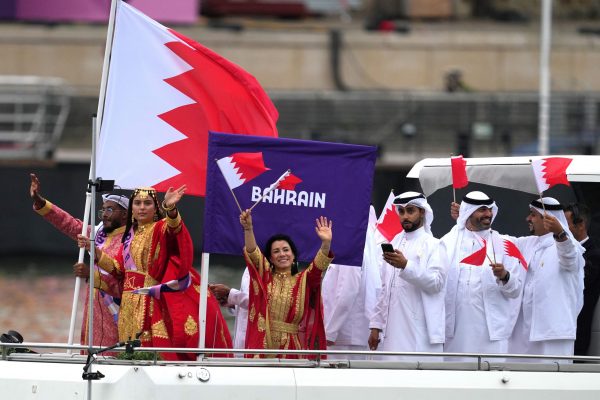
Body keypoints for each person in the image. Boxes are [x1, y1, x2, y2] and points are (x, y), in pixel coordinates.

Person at [78, 186, 232, 360]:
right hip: (127, 301)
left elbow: (174, 228)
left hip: (148, 300)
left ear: (155, 208)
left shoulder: (158, 228)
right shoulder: (129, 235)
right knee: (128, 351)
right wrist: (94, 251)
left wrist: (171, 208)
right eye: (137, 203)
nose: (142, 207)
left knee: (147, 352)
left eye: (147, 203)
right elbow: (119, 270)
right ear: (132, 209)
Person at [30, 173, 125, 351]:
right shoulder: (98, 233)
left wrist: (91, 274)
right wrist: (40, 201)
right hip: (94, 310)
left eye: (110, 210)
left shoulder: (131, 240)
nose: (104, 214)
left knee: (111, 358)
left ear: (125, 214)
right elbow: (69, 224)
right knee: (89, 353)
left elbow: (126, 280)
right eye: (103, 210)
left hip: (118, 312)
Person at [239, 209, 333, 358]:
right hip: (262, 345)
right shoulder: (265, 275)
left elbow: (318, 267)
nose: (282, 254)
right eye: (276, 251)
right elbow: (253, 253)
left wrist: (326, 243)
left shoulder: (303, 279)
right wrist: (248, 229)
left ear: (293, 255)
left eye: (285, 250)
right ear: (270, 257)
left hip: (291, 349)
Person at [444, 191, 523, 361]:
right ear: (468, 212)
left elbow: (515, 290)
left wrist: (504, 276)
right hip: (456, 333)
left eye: (489, 209)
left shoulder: (504, 244)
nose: (488, 214)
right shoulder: (448, 243)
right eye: (481, 210)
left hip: (490, 333)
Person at [368, 192, 446, 361]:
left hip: (419, 329)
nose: (405, 216)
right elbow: (385, 288)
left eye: (410, 211)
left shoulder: (433, 244)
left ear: (422, 212)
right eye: (401, 212)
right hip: (392, 330)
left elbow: (437, 283)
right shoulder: (394, 242)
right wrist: (375, 326)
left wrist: (406, 265)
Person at [508, 198, 585, 362]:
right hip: (524, 332)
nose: (528, 219)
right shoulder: (529, 243)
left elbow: (569, 259)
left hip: (553, 333)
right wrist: (466, 220)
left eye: (533, 215)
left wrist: (560, 234)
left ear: (548, 219)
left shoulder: (569, 246)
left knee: (553, 382)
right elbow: (500, 241)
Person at [565, 203, 600, 356]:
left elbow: (573, 284)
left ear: (580, 225)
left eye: (564, 224)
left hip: (576, 333)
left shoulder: (594, 255)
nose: (559, 229)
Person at [209, 268, 250, 356]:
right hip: (242, 343)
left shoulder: (270, 267)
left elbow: (262, 303)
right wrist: (231, 302)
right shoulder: (250, 267)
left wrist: (230, 294)